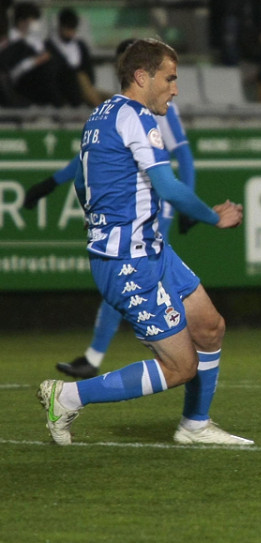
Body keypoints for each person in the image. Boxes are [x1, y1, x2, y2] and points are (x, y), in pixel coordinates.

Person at [36, 38, 252, 447]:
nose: (175, 88)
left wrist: (99, 218)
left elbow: (82, 182)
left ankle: (195, 425)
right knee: (180, 366)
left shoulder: (100, 115)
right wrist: (212, 216)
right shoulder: (137, 117)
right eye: (169, 78)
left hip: (151, 250)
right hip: (127, 262)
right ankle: (66, 396)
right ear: (142, 76)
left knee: (210, 327)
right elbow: (169, 187)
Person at [24, 38, 198, 380]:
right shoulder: (119, 110)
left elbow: (184, 155)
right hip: (131, 209)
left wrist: (188, 203)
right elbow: (89, 161)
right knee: (130, 273)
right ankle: (105, 354)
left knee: (129, 270)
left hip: (151, 208)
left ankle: (104, 354)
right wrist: (51, 184)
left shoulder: (163, 109)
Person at [0, 1, 69, 106]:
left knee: (65, 71)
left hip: (42, 80)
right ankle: (61, 106)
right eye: (33, 20)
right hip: (23, 84)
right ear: (22, 21)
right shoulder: (11, 43)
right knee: (47, 69)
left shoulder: (38, 42)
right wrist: (35, 61)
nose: (36, 24)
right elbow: (11, 72)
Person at [46, 7, 108, 107]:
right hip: (66, 88)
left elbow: (88, 68)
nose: (70, 33)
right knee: (81, 78)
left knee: (110, 98)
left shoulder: (80, 45)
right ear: (61, 27)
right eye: (68, 29)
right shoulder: (50, 46)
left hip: (85, 88)